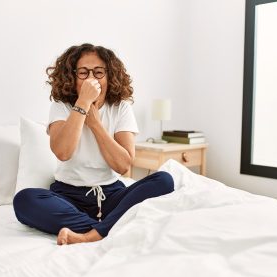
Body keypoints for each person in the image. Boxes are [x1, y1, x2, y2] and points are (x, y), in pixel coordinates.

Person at [13, 43, 174, 245]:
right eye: (83, 73)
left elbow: (123, 165)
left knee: (164, 180)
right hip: (68, 196)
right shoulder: (61, 106)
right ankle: (110, 227)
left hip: (111, 195)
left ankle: (90, 235)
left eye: (98, 72)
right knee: (24, 200)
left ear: (109, 76)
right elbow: (63, 152)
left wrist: (96, 124)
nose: (91, 78)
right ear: (72, 76)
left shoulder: (120, 108)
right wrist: (82, 104)